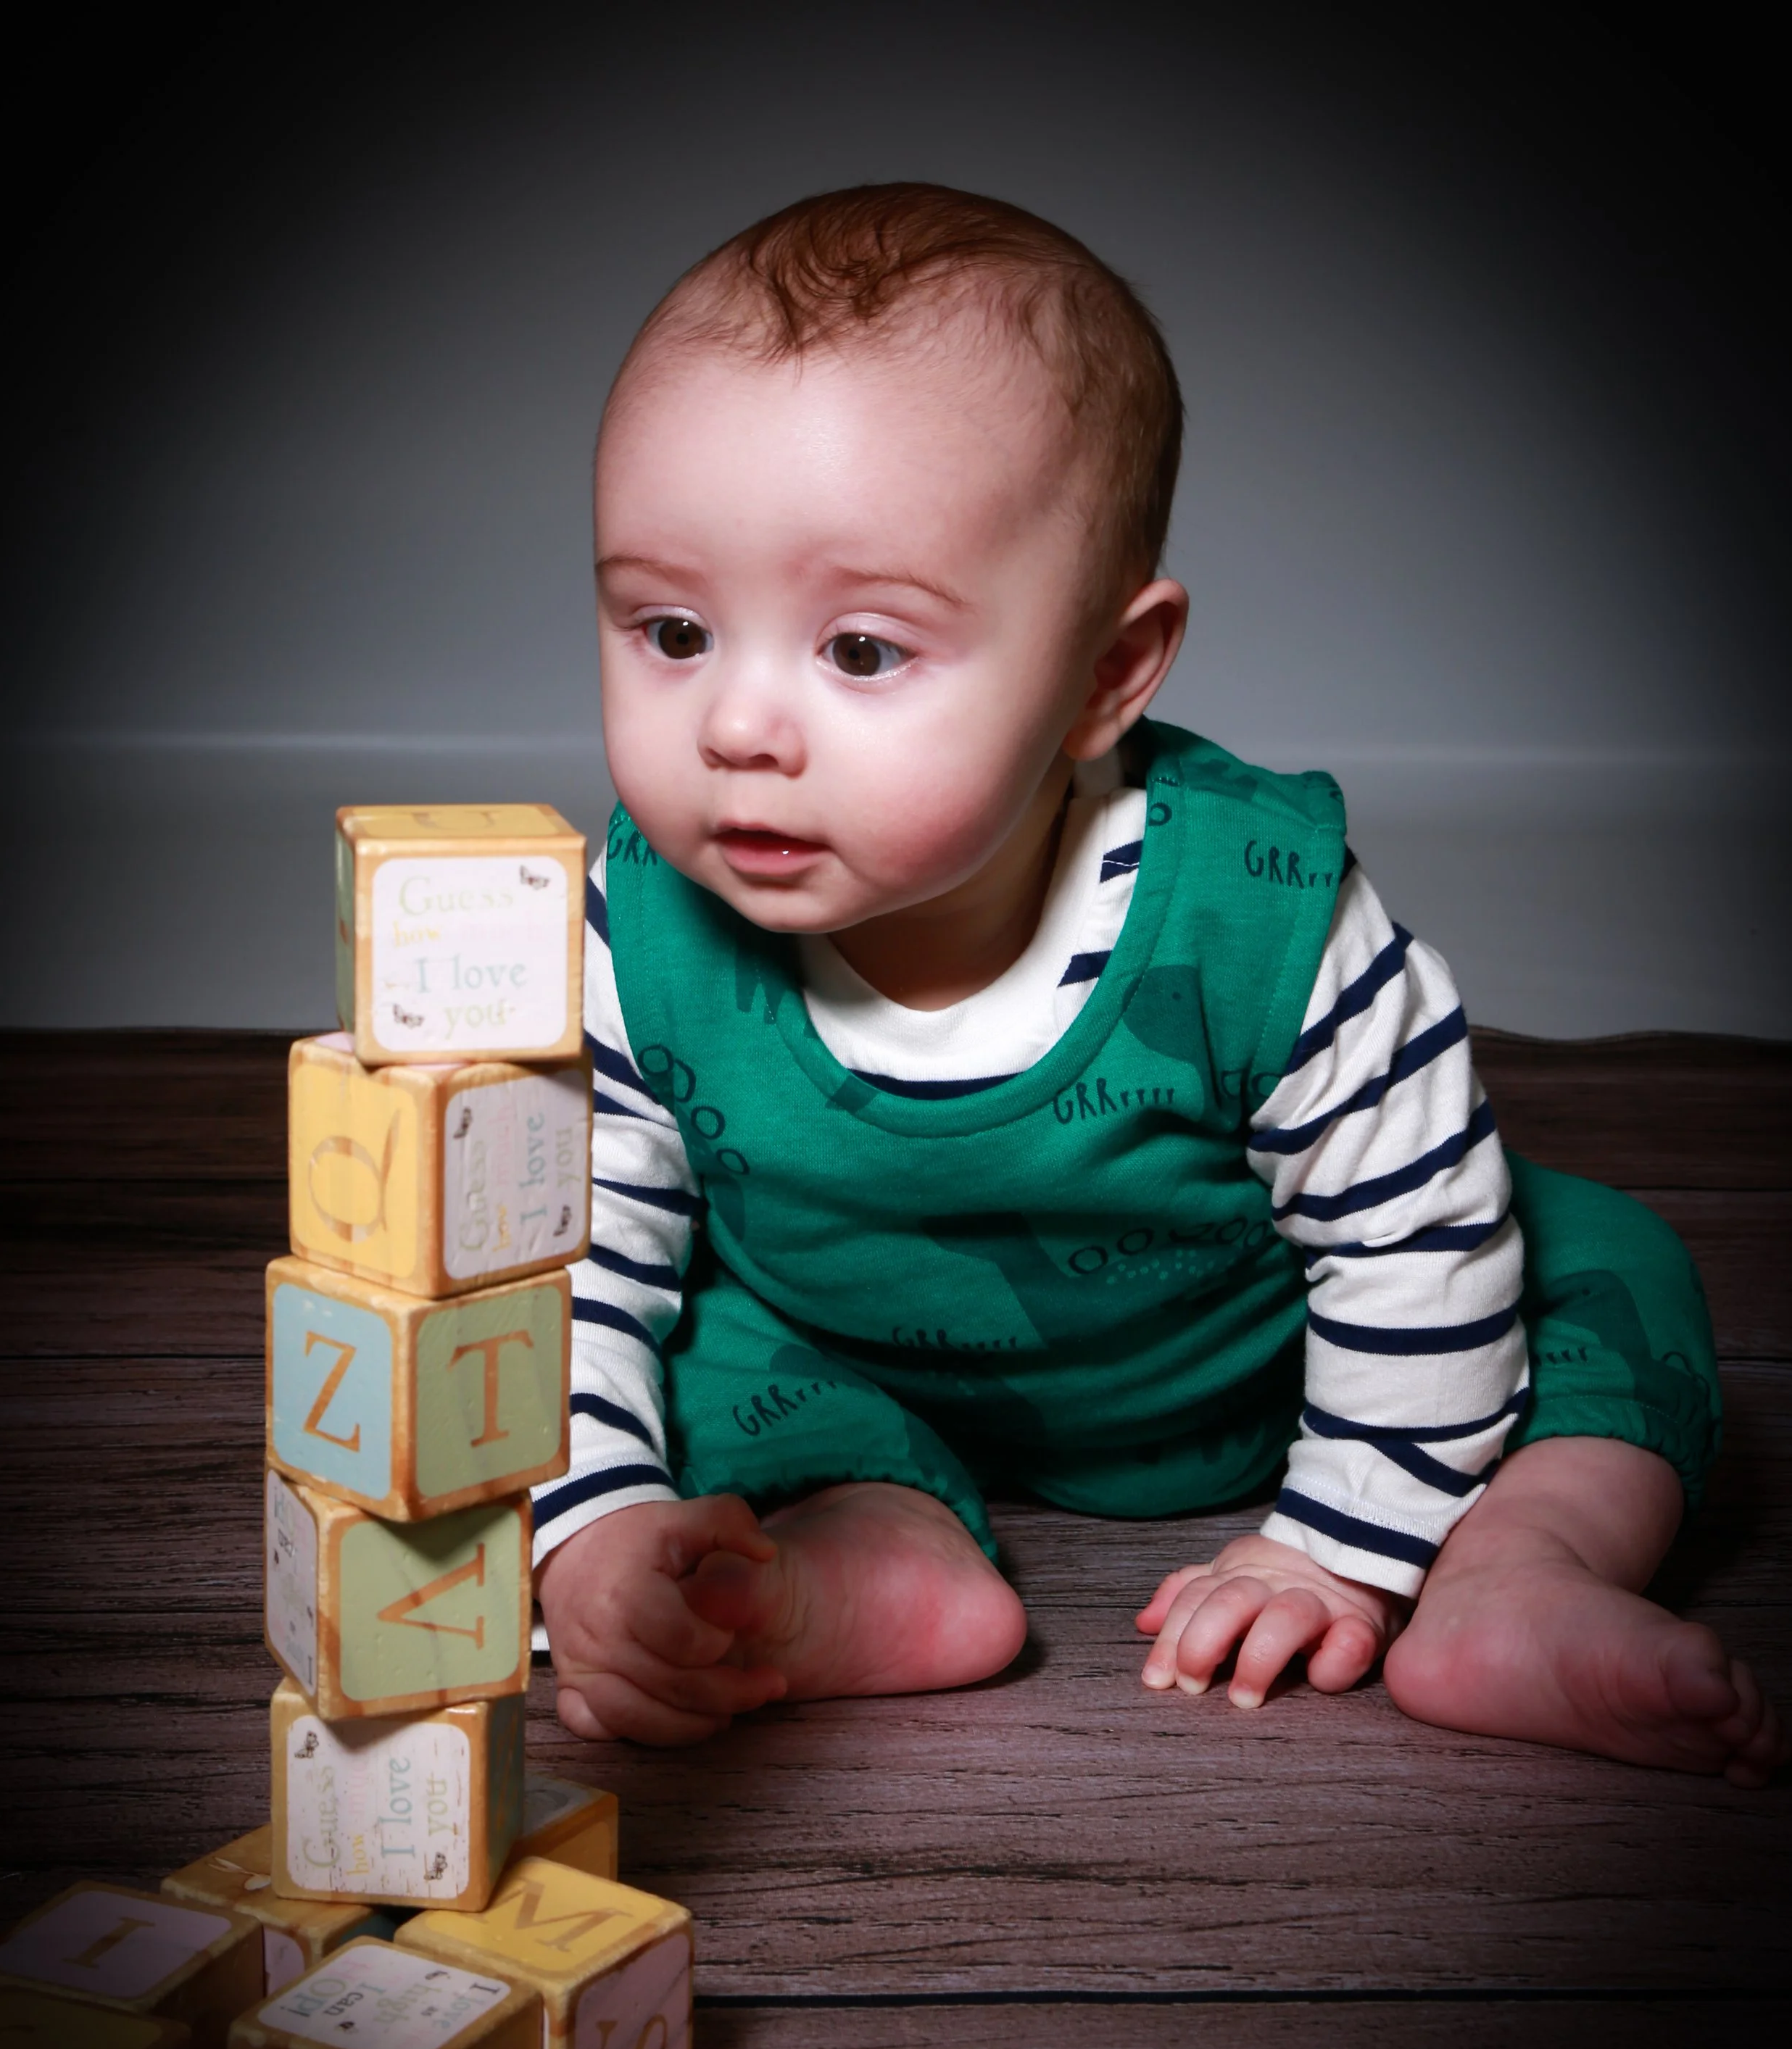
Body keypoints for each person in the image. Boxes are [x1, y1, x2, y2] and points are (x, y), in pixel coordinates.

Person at [533, 183, 1784, 1787]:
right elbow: (576, 1259)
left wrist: (1339, 1548)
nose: (733, 727)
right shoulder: (634, 926)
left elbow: (1409, 1236)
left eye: (860, 651)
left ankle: (1516, 1571)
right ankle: (857, 1557)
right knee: (681, 1333)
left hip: (1279, 1358)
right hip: (837, 1361)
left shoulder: (1257, 913)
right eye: (672, 629)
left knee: (1593, 1264)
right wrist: (593, 1534)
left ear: (1105, 674)